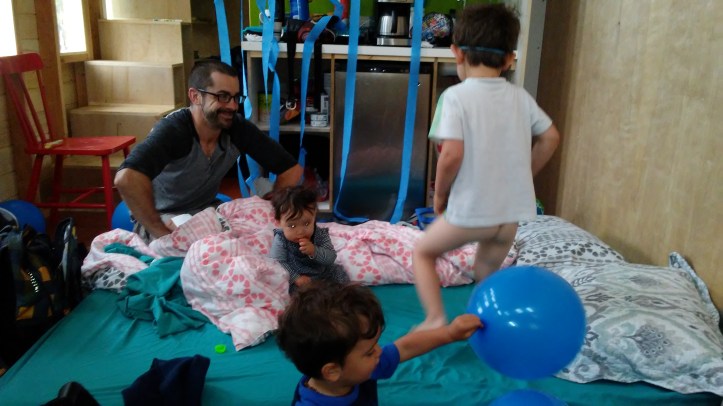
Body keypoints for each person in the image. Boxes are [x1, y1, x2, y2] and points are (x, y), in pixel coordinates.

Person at [413, 3, 561, 331]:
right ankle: (489, 325)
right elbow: (550, 137)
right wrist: (524, 176)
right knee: (485, 274)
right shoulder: (520, 97)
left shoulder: (456, 97)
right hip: (508, 216)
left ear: (456, 52)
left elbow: (451, 154)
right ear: (509, 59)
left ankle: (435, 319)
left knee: (423, 253)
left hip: (471, 213)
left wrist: (440, 196)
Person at [114, 59, 303, 242]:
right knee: (203, 248)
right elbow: (126, 178)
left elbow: (291, 170)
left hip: (207, 210)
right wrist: (161, 233)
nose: (232, 106)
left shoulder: (236, 127)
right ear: (195, 96)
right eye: (222, 96)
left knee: (269, 234)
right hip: (167, 214)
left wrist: (272, 207)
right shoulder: (174, 131)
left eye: (235, 97)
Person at [276, 281, 482, 405]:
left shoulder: (357, 368)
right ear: (332, 371)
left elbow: (405, 346)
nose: (379, 352)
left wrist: (449, 333)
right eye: (368, 352)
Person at [270, 185, 349, 291]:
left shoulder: (320, 234)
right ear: (278, 222)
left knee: (339, 276)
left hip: (322, 273)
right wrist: (295, 278)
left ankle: (340, 295)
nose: (300, 231)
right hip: (298, 278)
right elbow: (277, 262)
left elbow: (331, 258)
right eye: (292, 226)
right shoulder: (281, 239)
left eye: (306, 223)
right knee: (287, 288)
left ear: (314, 215)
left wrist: (314, 251)